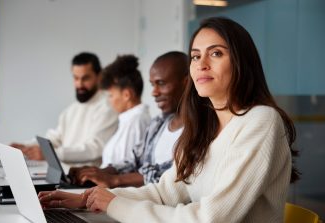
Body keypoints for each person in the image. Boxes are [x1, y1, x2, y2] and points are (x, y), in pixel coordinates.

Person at [39, 19, 300, 221]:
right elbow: (163, 193)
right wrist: (88, 199)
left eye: (216, 53)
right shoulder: (204, 125)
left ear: (242, 62)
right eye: (196, 56)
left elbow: (212, 219)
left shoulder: (261, 121)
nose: (201, 64)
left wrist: (114, 204)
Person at [67, 51, 188, 188]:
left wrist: (114, 180)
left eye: (161, 83)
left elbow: (171, 174)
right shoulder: (157, 124)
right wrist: (96, 172)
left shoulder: (200, 131)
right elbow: (134, 161)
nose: (154, 92)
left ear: (186, 82)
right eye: (153, 85)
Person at [11, 52, 118, 165]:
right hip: (67, 177)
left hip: (92, 180)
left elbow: (94, 148)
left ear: (99, 76)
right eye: (76, 78)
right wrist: (26, 147)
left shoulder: (108, 107)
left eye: (85, 78)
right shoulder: (70, 110)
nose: (79, 84)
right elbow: (55, 139)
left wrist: (50, 154)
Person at [99, 54, 151, 168]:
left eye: (111, 95)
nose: (109, 101)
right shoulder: (128, 120)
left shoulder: (138, 121)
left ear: (127, 95)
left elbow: (127, 169)